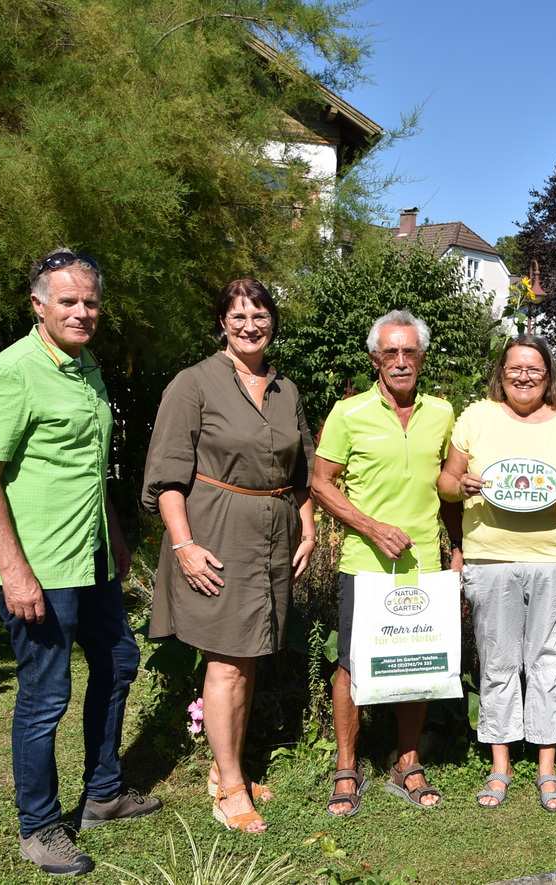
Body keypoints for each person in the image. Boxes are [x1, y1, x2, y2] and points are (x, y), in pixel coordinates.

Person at [0, 249, 162, 876]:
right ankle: (39, 826)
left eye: (91, 302)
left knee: (120, 659)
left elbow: (90, 464)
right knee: (47, 694)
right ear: (38, 305)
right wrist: (14, 570)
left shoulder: (85, 369)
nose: (82, 311)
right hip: (40, 564)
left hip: (92, 555)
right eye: (69, 301)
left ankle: (102, 793)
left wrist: (117, 535)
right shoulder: (12, 372)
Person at [141, 278, 316, 833]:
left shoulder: (286, 390)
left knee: (248, 657)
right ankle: (231, 789)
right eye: (238, 315)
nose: (249, 325)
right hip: (215, 533)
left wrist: (307, 528)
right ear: (222, 322)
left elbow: (303, 471)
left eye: (259, 315)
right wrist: (184, 544)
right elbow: (167, 477)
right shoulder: (192, 384)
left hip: (274, 533)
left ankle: (227, 769)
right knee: (225, 661)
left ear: (272, 323)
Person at [438, 335, 556, 812]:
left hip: (555, 558)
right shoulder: (478, 417)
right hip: (490, 559)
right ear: (502, 373)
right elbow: (446, 481)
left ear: (549, 374)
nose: (524, 376)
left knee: (550, 661)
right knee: (498, 663)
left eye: (534, 368)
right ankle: (500, 766)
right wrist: (460, 484)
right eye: (515, 368)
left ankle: (547, 769)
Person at [310, 310, 462, 815]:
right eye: (390, 352)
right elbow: (320, 482)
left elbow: (449, 487)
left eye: (409, 352)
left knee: (420, 662)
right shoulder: (347, 412)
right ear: (375, 358)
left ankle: (407, 762)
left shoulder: (442, 413)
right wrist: (371, 527)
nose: (401, 361)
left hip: (424, 561)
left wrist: (456, 546)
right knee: (352, 665)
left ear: (421, 357)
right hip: (365, 561)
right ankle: (347, 767)